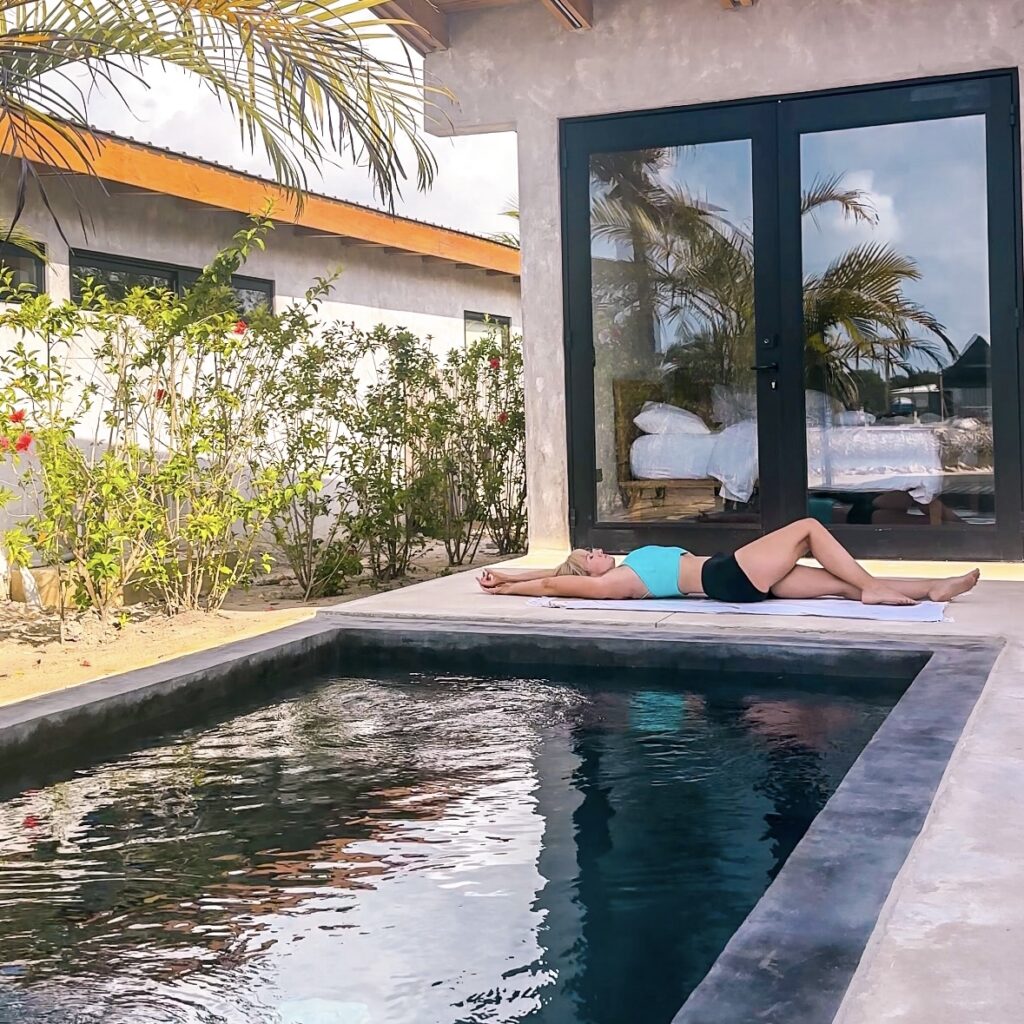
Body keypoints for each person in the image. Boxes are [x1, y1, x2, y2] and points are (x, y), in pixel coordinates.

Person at [477, 518, 980, 606]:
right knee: (806, 529)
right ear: (584, 574)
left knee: (838, 585)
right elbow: (554, 587)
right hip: (726, 576)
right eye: (586, 557)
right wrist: (512, 588)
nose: (594, 551)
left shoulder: (626, 566)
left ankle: (932, 588)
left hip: (734, 580)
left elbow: (548, 577)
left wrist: (509, 571)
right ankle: (872, 587)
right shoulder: (615, 586)